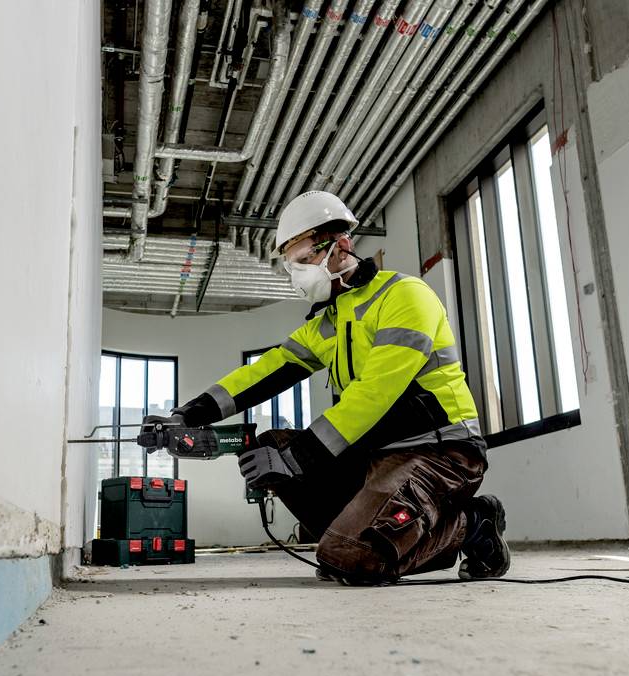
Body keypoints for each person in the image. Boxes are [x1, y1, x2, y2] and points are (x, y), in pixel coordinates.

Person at [154, 190, 508, 585]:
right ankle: (357, 535)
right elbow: (268, 370)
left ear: (341, 245)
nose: (299, 272)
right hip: (377, 453)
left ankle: (470, 524)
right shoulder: (331, 321)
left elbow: (376, 394)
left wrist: (298, 458)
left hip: (440, 451)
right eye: (293, 264)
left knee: (349, 558)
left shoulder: (405, 297)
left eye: (306, 260)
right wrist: (187, 414)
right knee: (274, 445)